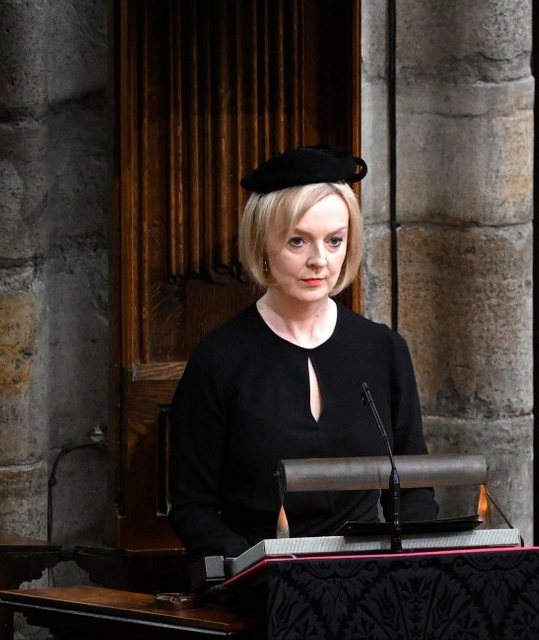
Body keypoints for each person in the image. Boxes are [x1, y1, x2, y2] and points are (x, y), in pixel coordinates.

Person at [169, 145, 438, 558]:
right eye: (298, 241)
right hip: (262, 579)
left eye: (334, 241)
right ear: (262, 243)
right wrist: (256, 570)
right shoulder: (219, 359)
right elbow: (193, 508)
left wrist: (411, 569)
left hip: (370, 574)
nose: (319, 260)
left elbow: (415, 490)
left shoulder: (384, 349)